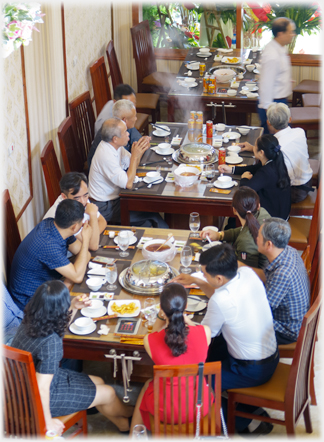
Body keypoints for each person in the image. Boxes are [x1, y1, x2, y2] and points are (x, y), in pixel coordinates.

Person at [172, 244, 278, 435]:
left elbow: (203, 336)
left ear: (219, 278)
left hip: (252, 369)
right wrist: (197, 280)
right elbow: (223, 298)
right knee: (211, 354)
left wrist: (182, 319)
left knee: (197, 380)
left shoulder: (221, 300)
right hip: (269, 353)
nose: (204, 276)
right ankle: (247, 407)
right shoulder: (247, 274)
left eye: (205, 274)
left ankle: (243, 421)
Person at [11, 281, 133, 436]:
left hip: (23, 384)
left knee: (99, 382)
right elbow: (42, 387)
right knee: (108, 392)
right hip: (38, 396)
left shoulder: (31, 320)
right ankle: (132, 414)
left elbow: (55, 326)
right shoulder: (50, 342)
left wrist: (73, 306)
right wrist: (47, 422)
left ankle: (124, 425)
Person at [130, 283, 211, 433]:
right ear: (185, 306)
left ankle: (134, 435)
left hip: (164, 411)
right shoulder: (205, 332)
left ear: (161, 308)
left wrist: (161, 316)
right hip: (199, 406)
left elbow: (153, 334)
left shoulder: (150, 341)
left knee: (148, 383)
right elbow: (195, 329)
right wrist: (184, 318)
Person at [9, 199, 91, 310]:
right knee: (86, 302)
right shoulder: (47, 243)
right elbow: (78, 276)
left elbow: (85, 254)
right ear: (75, 227)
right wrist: (85, 239)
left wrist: (68, 281)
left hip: (49, 288)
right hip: (32, 303)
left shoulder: (54, 224)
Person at [88, 117, 168, 228]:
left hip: (116, 197)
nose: (128, 134)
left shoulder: (115, 146)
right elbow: (128, 184)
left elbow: (133, 164)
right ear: (115, 138)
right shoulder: (106, 155)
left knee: (149, 212)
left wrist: (140, 147)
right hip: (104, 206)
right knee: (150, 214)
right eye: (125, 132)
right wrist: (135, 156)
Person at [240, 102, 313, 203]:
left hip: (294, 191)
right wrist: (253, 148)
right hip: (307, 183)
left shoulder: (275, 145)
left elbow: (265, 161)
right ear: (290, 119)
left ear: (268, 122)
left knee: (256, 190)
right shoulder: (299, 132)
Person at [255, 218, 310, 344]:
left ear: (269, 244)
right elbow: (267, 276)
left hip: (286, 330)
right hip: (290, 316)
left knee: (235, 325)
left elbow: (262, 311)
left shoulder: (282, 274)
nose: (256, 239)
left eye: (258, 236)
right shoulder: (290, 250)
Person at [219, 134, 291, 220]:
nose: (253, 148)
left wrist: (244, 178)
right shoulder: (275, 161)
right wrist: (232, 170)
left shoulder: (266, 172)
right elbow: (254, 168)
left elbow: (245, 192)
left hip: (272, 220)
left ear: (261, 153)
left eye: (255, 146)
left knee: (240, 209)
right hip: (281, 211)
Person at [201, 187, 271, 269]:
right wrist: (219, 235)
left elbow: (246, 273)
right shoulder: (262, 213)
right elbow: (244, 230)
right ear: (258, 206)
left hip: (259, 278)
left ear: (234, 210)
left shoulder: (245, 242)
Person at [43, 172, 106, 251]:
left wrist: (92, 236)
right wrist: (93, 215)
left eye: (86, 195)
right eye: (77, 198)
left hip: (77, 250)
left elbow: (102, 221)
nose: (83, 201)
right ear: (64, 196)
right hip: (64, 256)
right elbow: (93, 246)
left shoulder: (80, 196)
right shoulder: (64, 212)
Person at [88, 85, 147, 167]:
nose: (132, 107)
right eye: (127, 104)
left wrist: (140, 142)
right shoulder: (109, 124)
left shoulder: (120, 114)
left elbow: (132, 131)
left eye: (133, 104)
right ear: (116, 102)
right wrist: (136, 152)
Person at [258, 17, 296, 133]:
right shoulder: (272, 55)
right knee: (272, 142)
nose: (293, 34)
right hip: (273, 105)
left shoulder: (280, 47)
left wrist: (285, 80)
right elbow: (266, 84)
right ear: (281, 33)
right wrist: (269, 112)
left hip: (280, 101)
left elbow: (277, 73)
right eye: (290, 32)